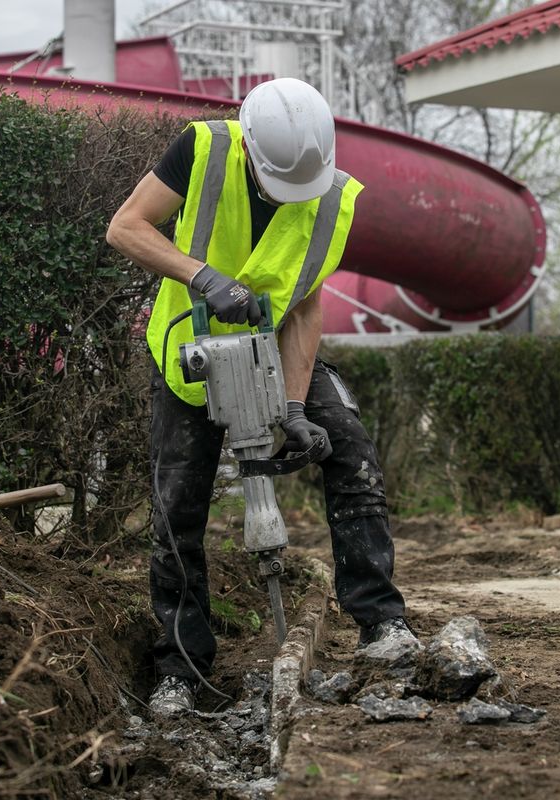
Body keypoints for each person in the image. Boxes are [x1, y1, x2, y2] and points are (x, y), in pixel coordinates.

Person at [106, 78, 416, 717]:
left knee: (350, 450)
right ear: (250, 145)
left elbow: (304, 306)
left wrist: (296, 407)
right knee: (177, 508)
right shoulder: (204, 150)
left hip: (271, 357)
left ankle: (382, 624)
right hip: (190, 356)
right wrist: (203, 275)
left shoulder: (331, 198)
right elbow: (125, 227)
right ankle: (181, 669)